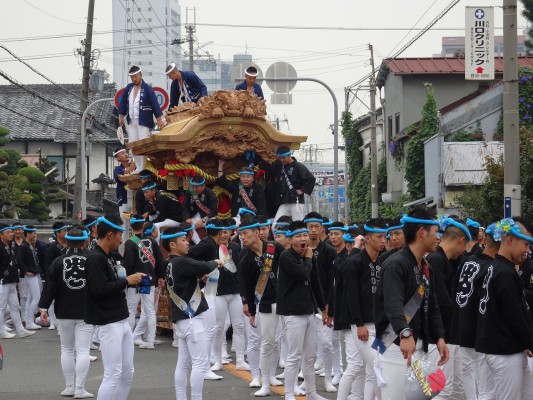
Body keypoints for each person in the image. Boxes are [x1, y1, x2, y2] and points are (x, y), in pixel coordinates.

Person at [373, 208, 448, 400]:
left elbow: (432, 306)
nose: (438, 237)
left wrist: (439, 336)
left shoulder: (425, 266)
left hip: (418, 346)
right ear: (422, 232)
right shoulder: (396, 264)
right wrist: (405, 333)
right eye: (435, 231)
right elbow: (393, 304)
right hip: (395, 346)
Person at [84, 216, 145, 400]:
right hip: (108, 322)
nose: (121, 240)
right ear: (110, 235)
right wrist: (126, 281)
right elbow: (98, 290)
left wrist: (128, 279)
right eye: (120, 236)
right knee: (113, 374)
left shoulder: (109, 256)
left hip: (121, 319)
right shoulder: (95, 258)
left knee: (127, 373)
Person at [162, 227, 225, 400]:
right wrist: (216, 262)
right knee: (199, 363)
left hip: (182, 320)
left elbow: (185, 285)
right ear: (173, 244)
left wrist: (200, 281)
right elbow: (204, 265)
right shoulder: (182, 261)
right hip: (192, 320)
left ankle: (181, 397)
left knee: (183, 364)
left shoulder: (169, 264)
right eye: (183, 239)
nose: (187, 242)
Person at [475, 217, 533, 399]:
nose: (528, 250)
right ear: (509, 240)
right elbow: (515, 314)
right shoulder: (505, 272)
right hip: (504, 351)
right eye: (525, 244)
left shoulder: (496, 267)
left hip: (499, 348)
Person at [38, 227, 94, 399]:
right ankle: (80, 388)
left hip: (63, 310)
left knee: (67, 349)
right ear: (85, 241)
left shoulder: (58, 261)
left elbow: (49, 287)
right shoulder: (92, 260)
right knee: (83, 350)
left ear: (66, 242)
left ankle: (69, 387)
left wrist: (43, 308)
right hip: (86, 310)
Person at [277, 220, 327, 400]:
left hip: (309, 311)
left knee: (310, 357)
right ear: (290, 240)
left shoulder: (308, 256)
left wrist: (323, 308)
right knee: (294, 356)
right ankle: (289, 393)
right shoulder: (286, 256)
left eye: (305, 235)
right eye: (298, 236)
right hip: (292, 312)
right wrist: (308, 257)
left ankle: (312, 393)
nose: (303, 239)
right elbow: (303, 274)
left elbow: (315, 283)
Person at [452, 222, 499, 400]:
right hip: (480, 331)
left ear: (485, 240)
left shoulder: (468, 261)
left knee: (468, 373)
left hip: (463, 326)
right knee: (486, 385)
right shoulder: (491, 268)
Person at [238, 217, 285, 394]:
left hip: (284, 301)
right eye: (240, 234)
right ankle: (263, 382)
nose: (242, 237)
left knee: (280, 341)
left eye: (245, 233)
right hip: (264, 304)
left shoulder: (275, 248)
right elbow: (246, 286)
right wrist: (250, 310)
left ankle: (274, 375)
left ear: (257, 233)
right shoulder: (245, 259)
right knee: (266, 342)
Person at [426, 217, 470, 399]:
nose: (463, 252)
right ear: (461, 241)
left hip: (446, 334)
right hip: (439, 334)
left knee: (454, 388)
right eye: (464, 246)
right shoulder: (436, 260)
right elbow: (442, 301)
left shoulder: (442, 259)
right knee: (441, 389)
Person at [344, 219, 387, 400]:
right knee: (377, 367)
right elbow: (351, 295)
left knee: (372, 371)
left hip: (379, 325)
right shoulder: (354, 262)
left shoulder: (384, 262)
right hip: (362, 325)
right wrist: (359, 323)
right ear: (367, 239)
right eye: (379, 237)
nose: (384, 240)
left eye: (385, 236)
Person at [302, 212, 337, 392]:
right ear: (305, 228)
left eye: (317, 226)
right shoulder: (299, 249)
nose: (314, 230)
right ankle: (305, 382)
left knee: (327, 343)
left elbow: (332, 282)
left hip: (323, 304)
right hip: (304, 304)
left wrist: (328, 307)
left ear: (322, 228)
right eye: (310, 227)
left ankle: (328, 379)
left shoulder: (329, 251)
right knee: (307, 346)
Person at [123, 214, 165, 349]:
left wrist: (128, 279)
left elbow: (128, 264)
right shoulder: (152, 241)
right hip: (148, 279)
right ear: (143, 225)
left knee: (131, 310)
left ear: (131, 226)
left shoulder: (130, 242)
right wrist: (160, 276)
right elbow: (159, 260)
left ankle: (129, 339)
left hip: (135, 279)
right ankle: (150, 340)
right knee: (149, 310)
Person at [211, 219, 245, 380]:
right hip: (218, 293)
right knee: (218, 327)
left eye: (226, 231)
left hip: (235, 292)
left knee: (239, 326)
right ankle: (217, 359)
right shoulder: (212, 248)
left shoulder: (237, 248)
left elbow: (240, 270)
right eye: (221, 232)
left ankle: (240, 360)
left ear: (231, 232)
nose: (223, 235)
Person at [118, 65, 165, 173]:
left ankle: (143, 166)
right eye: (132, 77)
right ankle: (138, 165)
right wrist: (121, 116)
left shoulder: (148, 89)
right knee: (133, 143)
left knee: (142, 143)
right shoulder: (129, 88)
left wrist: (159, 119)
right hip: (131, 120)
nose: (134, 79)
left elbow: (155, 104)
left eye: (135, 76)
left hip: (143, 120)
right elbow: (123, 103)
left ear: (140, 75)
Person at [260, 145, 316, 222]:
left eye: (283, 158)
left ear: (289, 155)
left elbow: (311, 179)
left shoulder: (298, 166)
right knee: (276, 225)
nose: (282, 160)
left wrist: (302, 190)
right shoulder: (280, 167)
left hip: (296, 201)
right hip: (284, 201)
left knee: (298, 224)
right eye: (280, 158)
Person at [0, 223, 35, 339]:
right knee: (1, 307)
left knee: (15, 306)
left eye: (11, 232)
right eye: (8, 232)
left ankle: (20, 329)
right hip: (3, 281)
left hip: (12, 281)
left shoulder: (11, 245)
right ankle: (1, 330)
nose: (11, 234)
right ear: (1, 234)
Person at [16, 225, 42, 330]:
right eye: (33, 233)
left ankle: (28, 320)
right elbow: (18, 260)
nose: (35, 235)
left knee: (31, 298)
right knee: (36, 297)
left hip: (34, 273)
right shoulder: (24, 246)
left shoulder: (28, 245)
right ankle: (30, 321)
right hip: (30, 275)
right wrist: (26, 271)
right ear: (28, 234)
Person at [182, 176, 218, 244]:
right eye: (193, 187)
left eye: (197, 187)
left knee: (214, 226)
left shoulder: (210, 194)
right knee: (188, 226)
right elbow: (185, 207)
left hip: (208, 217)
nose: (194, 189)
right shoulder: (189, 192)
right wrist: (187, 218)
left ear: (203, 186)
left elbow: (214, 211)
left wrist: (203, 220)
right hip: (196, 215)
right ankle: (198, 244)